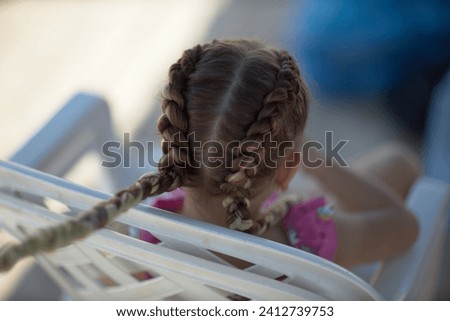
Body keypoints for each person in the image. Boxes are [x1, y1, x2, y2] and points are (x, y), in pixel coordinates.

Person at [0, 39, 418, 272]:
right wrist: (311, 157)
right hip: (294, 249)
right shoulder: (307, 238)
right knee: (399, 162)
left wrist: (290, 161)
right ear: (286, 168)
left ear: (176, 150)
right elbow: (404, 227)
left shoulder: (148, 233)